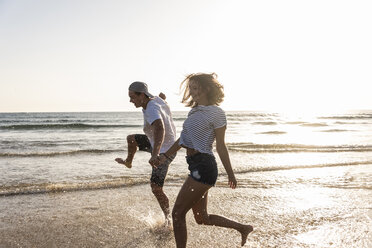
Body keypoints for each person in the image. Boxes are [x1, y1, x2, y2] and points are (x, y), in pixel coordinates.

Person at [156, 73, 253, 247]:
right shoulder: (193, 112)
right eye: (190, 88)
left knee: (178, 214)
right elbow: (182, 140)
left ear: (207, 88)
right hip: (195, 165)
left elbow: (221, 146)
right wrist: (164, 156)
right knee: (202, 218)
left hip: (204, 166)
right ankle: (242, 228)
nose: (191, 92)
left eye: (195, 88)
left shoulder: (217, 113)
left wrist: (230, 173)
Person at [115, 81, 177, 224]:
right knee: (131, 139)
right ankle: (128, 162)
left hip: (165, 151)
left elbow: (160, 128)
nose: (130, 100)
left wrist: (155, 154)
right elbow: (161, 97)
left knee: (156, 188)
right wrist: (163, 98)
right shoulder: (155, 100)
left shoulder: (151, 109)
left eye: (132, 97)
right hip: (156, 143)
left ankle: (169, 220)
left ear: (142, 95)